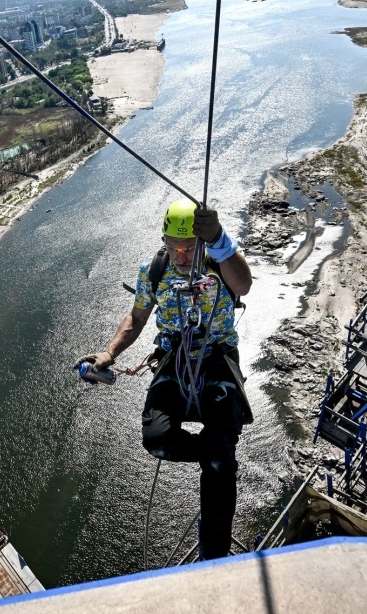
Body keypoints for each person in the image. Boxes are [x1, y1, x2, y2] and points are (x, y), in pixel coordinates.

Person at [76, 198, 253, 560]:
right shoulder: (153, 271)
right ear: (164, 242)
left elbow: (245, 285)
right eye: (174, 248)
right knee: (158, 440)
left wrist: (218, 237)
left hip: (216, 357)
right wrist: (109, 353)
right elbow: (136, 318)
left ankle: (214, 556)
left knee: (219, 466)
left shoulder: (219, 264)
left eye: (188, 249)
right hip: (173, 357)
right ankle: (217, 458)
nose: (181, 256)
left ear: (200, 245)